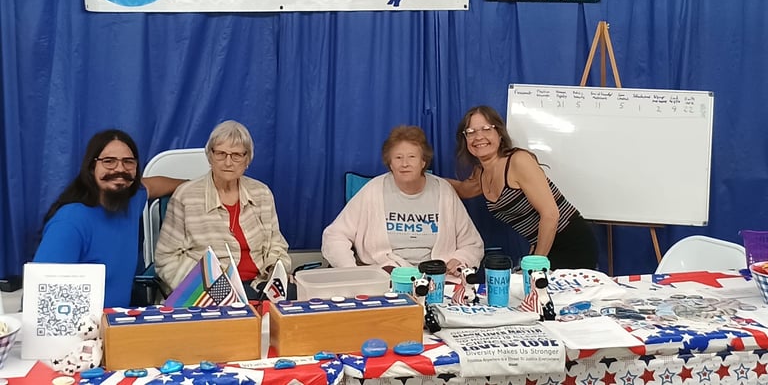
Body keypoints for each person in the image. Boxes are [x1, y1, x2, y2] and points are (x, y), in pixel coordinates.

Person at [33, 130, 186, 307]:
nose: (120, 169)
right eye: (109, 161)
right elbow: (41, 296)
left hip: (120, 318)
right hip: (85, 323)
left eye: (128, 162)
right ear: (91, 167)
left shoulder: (132, 199)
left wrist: (203, 186)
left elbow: (156, 185)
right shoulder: (69, 222)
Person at [447, 106, 597, 270]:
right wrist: (428, 178)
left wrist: (536, 262)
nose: (478, 137)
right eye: (471, 132)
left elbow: (550, 214)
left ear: (499, 133)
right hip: (543, 246)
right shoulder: (480, 173)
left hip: (572, 244)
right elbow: (463, 189)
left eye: (486, 129)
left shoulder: (518, 161)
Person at [321, 125, 484, 276]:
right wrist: (351, 271)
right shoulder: (373, 190)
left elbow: (472, 244)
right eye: (398, 157)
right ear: (390, 163)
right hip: (385, 276)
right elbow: (334, 236)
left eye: (412, 157)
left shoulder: (444, 191)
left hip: (438, 277)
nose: (405, 164)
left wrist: (461, 259)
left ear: (423, 162)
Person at [154, 120, 291, 299]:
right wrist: (213, 288)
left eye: (236, 155)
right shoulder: (185, 196)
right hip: (210, 290)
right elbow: (166, 259)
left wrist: (275, 272)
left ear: (247, 159)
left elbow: (276, 244)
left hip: (260, 284)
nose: (228, 162)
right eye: (220, 154)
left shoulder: (261, 193)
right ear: (210, 156)